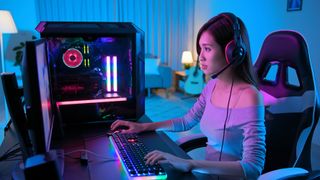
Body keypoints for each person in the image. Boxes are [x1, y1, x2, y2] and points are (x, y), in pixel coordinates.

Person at [111, 12, 266, 179]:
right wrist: (143, 127)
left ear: (232, 52)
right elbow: (186, 121)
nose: (201, 57)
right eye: (200, 49)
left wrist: (191, 163)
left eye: (207, 48)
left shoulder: (249, 96)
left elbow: (253, 167)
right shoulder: (212, 85)